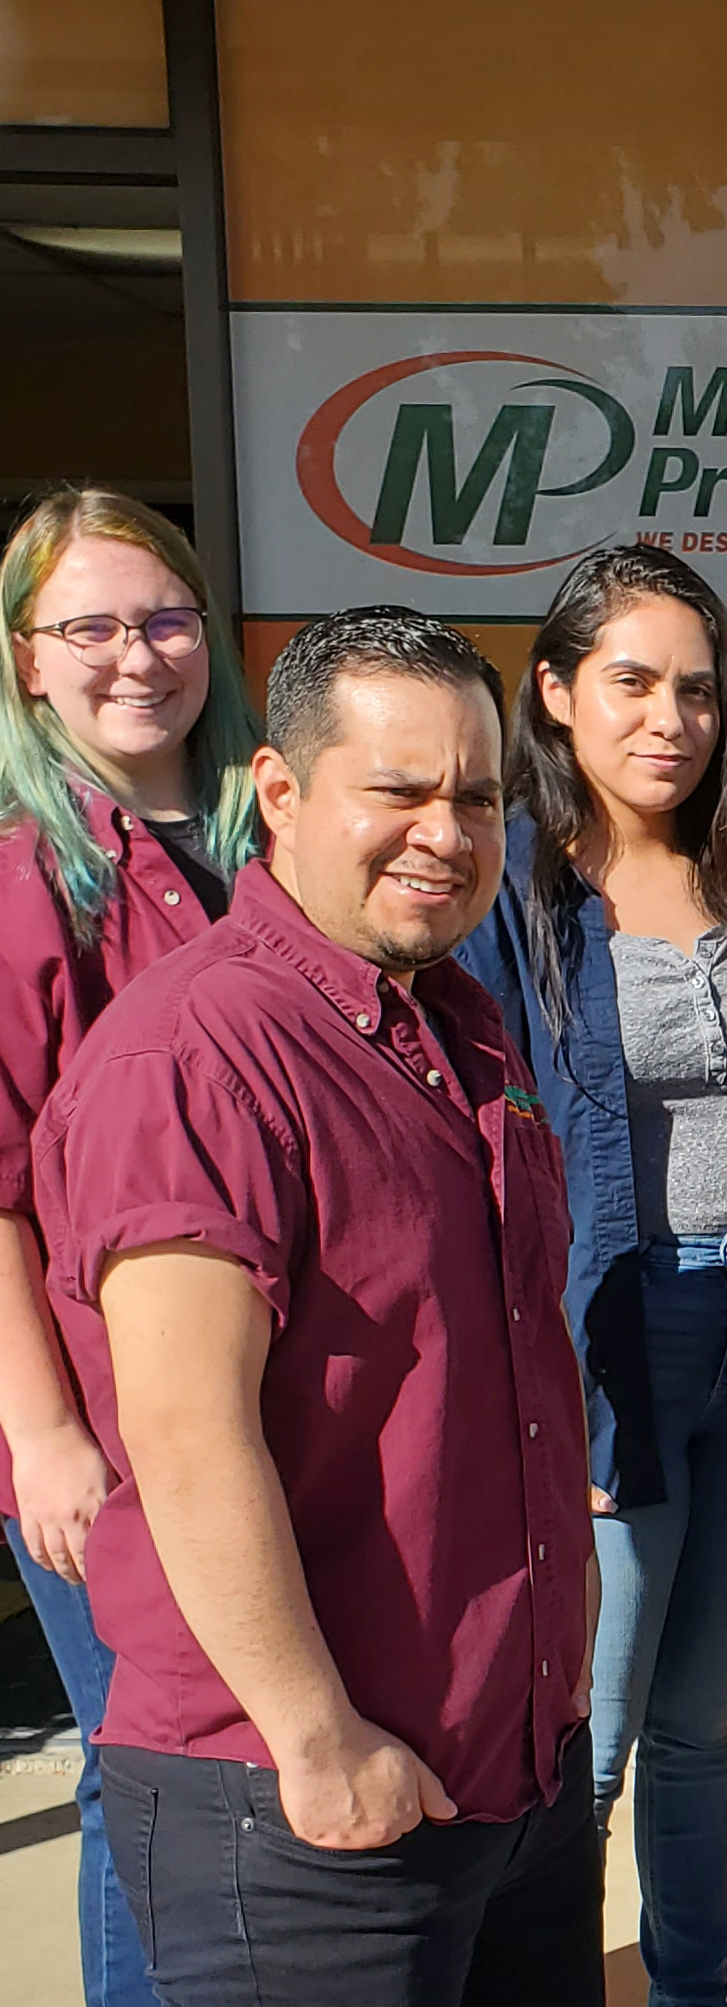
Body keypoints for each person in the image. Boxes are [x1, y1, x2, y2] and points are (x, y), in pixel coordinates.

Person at [33, 607, 598, 2005]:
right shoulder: (199, 1052)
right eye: (397, 791)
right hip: (298, 1795)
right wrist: (318, 1737)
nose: (447, 832)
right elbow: (184, 1431)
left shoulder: (459, 1024)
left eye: (475, 796)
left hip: (506, 1772)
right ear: (281, 794)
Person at [455, 545, 727, 2007]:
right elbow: (477, 1151)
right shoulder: (516, 891)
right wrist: (542, 1381)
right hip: (611, 1339)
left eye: (693, 687)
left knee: (697, 1720)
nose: (667, 718)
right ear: (552, 692)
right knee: (584, 1737)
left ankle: (692, 1986)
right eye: (628, 682)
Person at [0, 490, 261, 2007]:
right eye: (86, 627)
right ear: (28, 660)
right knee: (145, 1758)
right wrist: (37, 1432)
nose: (134, 656)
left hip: (253, 1397)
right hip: (99, 1421)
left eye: (161, 617)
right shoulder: (30, 878)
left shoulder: (267, 834)